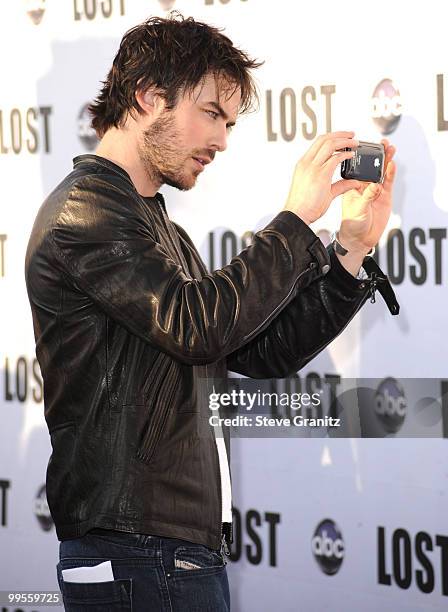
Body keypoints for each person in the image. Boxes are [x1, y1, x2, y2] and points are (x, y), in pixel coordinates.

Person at [25, 12, 398, 612]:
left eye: (227, 122)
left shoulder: (159, 230)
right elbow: (197, 325)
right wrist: (294, 221)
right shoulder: (86, 214)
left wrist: (350, 249)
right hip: (137, 548)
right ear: (149, 97)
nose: (222, 140)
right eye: (211, 114)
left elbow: (256, 349)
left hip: (167, 548)